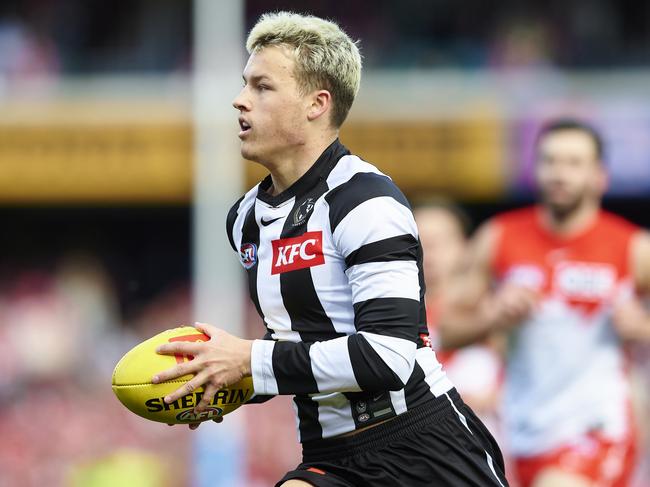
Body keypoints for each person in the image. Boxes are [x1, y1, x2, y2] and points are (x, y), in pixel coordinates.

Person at [151, 11, 508, 487]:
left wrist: (249, 361)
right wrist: (223, 382)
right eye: (244, 85)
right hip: (330, 453)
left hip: (425, 451)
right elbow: (297, 344)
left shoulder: (366, 201)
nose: (239, 101)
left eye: (262, 87)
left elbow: (389, 355)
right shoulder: (245, 219)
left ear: (317, 104)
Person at [438, 119, 650, 487]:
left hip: (600, 427)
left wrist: (642, 328)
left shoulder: (633, 247)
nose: (559, 173)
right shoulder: (499, 238)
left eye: (573, 163)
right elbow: (447, 332)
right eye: (550, 161)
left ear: (599, 176)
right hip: (525, 431)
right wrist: (493, 313)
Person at [414, 201, 503, 438]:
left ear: (466, 246)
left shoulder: (495, 308)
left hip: (490, 444)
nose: (429, 251)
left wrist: (496, 397)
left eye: (440, 241)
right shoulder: (385, 316)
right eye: (419, 240)